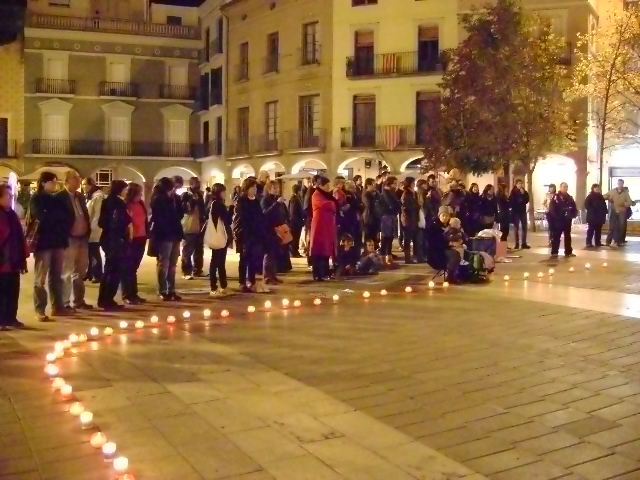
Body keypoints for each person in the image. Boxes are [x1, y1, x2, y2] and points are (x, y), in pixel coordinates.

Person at [29, 171, 68, 322]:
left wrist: (54, 217)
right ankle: (40, 309)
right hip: (43, 243)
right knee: (40, 278)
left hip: (58, 241)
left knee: (56, 276)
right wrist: (55, 217)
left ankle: (57, 306)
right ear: (44, 182)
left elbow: (65, 216)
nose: (55, 184)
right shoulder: (36, 198)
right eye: (52, 181)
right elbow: (41, 217)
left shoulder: (56, 198)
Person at [58, 170, 92, 312]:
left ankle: (79, 300)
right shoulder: (60, 197)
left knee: (81, 270)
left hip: (82, 238)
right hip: (69, 238)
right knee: (67, 271)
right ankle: (64, 302)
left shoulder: (80, 196)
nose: (78, 181)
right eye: (75, 179)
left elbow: (84, 214)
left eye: (79, 178)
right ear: (67, 181)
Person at [97, 180, 131, 310]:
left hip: (108, 239)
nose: (126, 192)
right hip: (115, 240)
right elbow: (119, 221)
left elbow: (102, 222)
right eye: (125, 189)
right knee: (114, 270)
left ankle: (104, 299)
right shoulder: (117, 203)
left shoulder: (107, 201)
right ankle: (108, 300)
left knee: (109, 269)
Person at [150, 177, 184, 301]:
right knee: (164, 263)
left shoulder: (175, 198)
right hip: (164, 234)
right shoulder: (158, 198)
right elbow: (160, 216)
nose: (173, 189)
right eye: (171, 187)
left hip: (175, 233)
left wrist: (176, 201)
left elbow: (180, 214)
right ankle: (162, 289)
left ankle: (172, 289)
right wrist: (170, 200)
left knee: (173, 264)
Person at [233, 177, 269, 293]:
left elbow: (260, 216)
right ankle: (242, 282)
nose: (254, 190)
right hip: (245, 235)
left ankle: (251, 281)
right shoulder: (241, 201)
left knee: (253, 259)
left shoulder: (256, 201)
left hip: (256, 235)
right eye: (252, 187)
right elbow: (240, 219)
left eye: (255, 187)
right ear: (246, 188)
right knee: (244, 259)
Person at [0, 183, 28, 329]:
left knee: (13, 289)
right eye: (7, 196)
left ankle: (11, 317)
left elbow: (19, 236)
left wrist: (23, 252)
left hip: (13, 258)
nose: (10, 198)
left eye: (11, 196)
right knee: (2, 290)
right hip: (3, 259)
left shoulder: (11, 214)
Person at [122, 183, 148, 305]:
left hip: (141, 237)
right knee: (128, 267)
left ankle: (134, 293)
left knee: (134, 268)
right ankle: (127, 294)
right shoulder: (126, 205)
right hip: (131, 239)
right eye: (139, 193)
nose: (141, 195)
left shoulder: (140, 204)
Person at [207, 183, 232, 297]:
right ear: (219, 193)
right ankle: (216, 286)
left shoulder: (212, 203)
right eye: (223, 191)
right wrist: (231, 208)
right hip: (220, 236)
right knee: (217, 262)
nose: (224, 193)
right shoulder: (218, 204)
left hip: (218, 236)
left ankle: (222, 285)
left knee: (218, 261)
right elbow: (227, 220)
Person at [261, 180, 288, 284]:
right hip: (269, 230)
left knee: (275, 253)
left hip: (278, 229)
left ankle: (273, 275)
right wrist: (277, 204)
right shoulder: (265, 200)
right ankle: (267, 277)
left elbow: (281, 213)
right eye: (274, 188)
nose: (277, 190)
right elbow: (265, 214)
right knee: (269, 253)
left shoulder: (276, 199)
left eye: (277, 188)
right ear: (268, 189)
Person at [310, 176, 336, 281]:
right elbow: (326, 205)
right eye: (327, 185)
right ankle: (318, 274)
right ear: (321, 185)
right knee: (318, 250)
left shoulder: (325, 195)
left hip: (326, 226)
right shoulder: (316, 194)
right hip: (319, 226)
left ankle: (325, 272)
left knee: (325, 250)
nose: (328, 187)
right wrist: (333, 203)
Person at [425, 206, 461, 283]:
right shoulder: (434, 226)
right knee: (455, 255)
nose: (445, 217)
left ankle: (458, 274)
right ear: (439, 216)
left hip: (445, 248)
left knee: (463, 252)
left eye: (447, 215)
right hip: (436, 251)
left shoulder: (449, 225)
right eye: (443, 215)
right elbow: (434, 241)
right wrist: (448, 243)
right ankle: (450, 276)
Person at [180, 176, 206, 279]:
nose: (198, 185)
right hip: (189, 226)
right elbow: (185, 209)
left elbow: (203, 209)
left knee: (199, 250)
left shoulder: (199, 195)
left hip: (199, 226)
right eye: (196, 183)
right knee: (187, 250)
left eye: (199, 183)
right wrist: (192, 200)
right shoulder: (185, 195)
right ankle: (186, 271)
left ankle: (197, 270)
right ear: (191, 184)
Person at [82, 177, 104, 283]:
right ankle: (89, 272)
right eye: (83, 184)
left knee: (94, 251)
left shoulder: (98, 196)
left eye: (86, 184)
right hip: (89, 227)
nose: (84, 187)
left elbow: (97, 214)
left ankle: (98, 274)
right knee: (89, 252)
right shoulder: (90, 196)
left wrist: (92, 228)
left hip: (94, 229)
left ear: (92, 185)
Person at [548, 182, 578, 259]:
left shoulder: (569, 197)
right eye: (564, 187)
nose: (565, 188)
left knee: (567, 236)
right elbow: (552, 208)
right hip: (558, 220)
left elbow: (574, 207)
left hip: (567, 220)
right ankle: (554, 252)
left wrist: (573, 214)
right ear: (560, 187)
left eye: (566, 187)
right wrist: (556, 217)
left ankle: (568, 251)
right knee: (556, 236)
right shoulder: (556, 197)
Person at [376, 176, 401, 265]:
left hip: (391, 216)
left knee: (390, 237)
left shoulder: (391, 192)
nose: (396, 185)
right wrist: (397, 204)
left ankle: (389, 256)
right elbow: (392, 204)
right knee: (385, 237)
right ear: (390, 184)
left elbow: (397, 203)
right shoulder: (386, 192)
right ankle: (383, 257)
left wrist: (397, 204)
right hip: (386, 216)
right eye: (394, 183)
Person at [604, 179, 633, 248]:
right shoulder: (613, 191)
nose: (620, 185)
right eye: (619, 183)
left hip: (622, 211)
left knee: (621, 226)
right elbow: (605, 196)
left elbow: (630, 202)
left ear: (623, 184)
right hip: (613, 211)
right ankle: (608, 241)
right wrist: (608, 198)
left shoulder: (625, 193)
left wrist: (624, 204)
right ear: (617, 184)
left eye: (621, 184)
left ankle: (619, 241)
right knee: (612, 226)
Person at [400, 176, 420, 264]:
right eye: (413, 183)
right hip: (408, 219)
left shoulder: (413, 193)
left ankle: (414, 256)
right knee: (407, 239)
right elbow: (406, 206)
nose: (414, 184)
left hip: (414, 218)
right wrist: (417, 206)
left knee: (415, 238)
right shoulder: (406, 193)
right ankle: (407, 258)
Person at [584, 184, 608, 248]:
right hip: (592, 216)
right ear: (593, 188)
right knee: (591, 230)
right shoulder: (590, 196)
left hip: (600, 217)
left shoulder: (601, 196)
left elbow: (604, 205)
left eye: (598, 187)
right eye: (595, 188)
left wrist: (605, 211)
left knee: (598, 230)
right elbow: (586, 205)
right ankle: (588, 242)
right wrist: (592, 210)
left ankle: (598, 242)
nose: (597, 189)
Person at [509, 179, 530, 249]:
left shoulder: (524, 191)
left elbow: (527, 199)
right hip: (516, 212)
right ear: (516, 184)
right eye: (519, 184)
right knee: (516, 228)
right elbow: (511, 201)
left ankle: (524, 243)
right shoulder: (513, 192)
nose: (520, 185)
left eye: (521, 183)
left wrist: (523, 194)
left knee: (524, 227)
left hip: (523, 212)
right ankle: (517, 243)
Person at [341, 180, 362, 251]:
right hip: (349, 220)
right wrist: (358, 205)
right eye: (352, 187)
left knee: (357, 237)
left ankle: (356, 254)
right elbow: (353, 205)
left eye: (354, 187)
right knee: (350, 238)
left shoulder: (355, 194)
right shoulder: (346, 195)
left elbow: (360, 204)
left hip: (356, 218)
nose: (354, 189)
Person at [361, 178, 380, 249]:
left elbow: (379, 202)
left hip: (376, 217)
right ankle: (368, 251)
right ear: (368, 185)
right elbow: (369, 205)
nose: (374, 185)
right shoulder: (366, 194)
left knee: (375, 235)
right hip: (369, 218)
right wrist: (375, 198)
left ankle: (374, 250)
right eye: (372, 184)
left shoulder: (376, 193)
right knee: (369, 235)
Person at [288, 184, 305, 258]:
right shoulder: (294, 199)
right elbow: (293, 212)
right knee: (295, 238)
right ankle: (294, 252)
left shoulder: (296, 198)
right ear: (298, 191)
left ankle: (295, 252)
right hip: (295, 223)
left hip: (297, 222)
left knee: (296, 237)